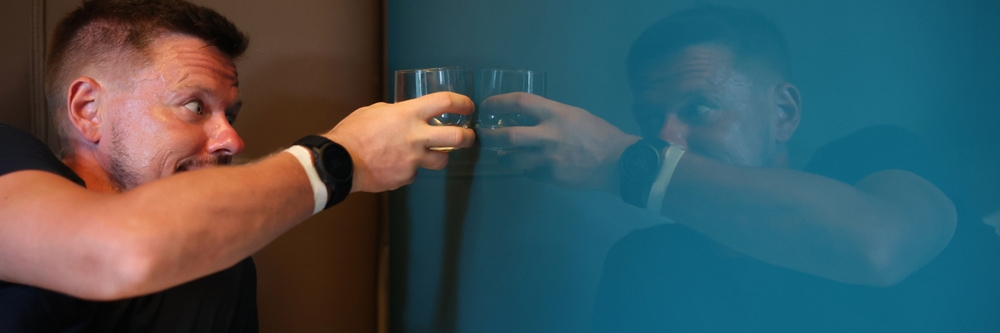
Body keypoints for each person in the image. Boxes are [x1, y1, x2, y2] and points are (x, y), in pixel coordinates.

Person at [476, 6, 1000, 332]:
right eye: (649, 119)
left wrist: (622, 160)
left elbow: (876, 248)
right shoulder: (644, 266)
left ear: (784, 113)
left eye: (698, 109)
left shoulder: (873, 159)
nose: (663, 138)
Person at [0, 0, 474, 331]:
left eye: (231, 114)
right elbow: (122, 250)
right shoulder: (10, 160)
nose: (232, 139)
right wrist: (338, 160)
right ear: (88, 109)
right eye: (194, 107)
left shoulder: (225, 269)